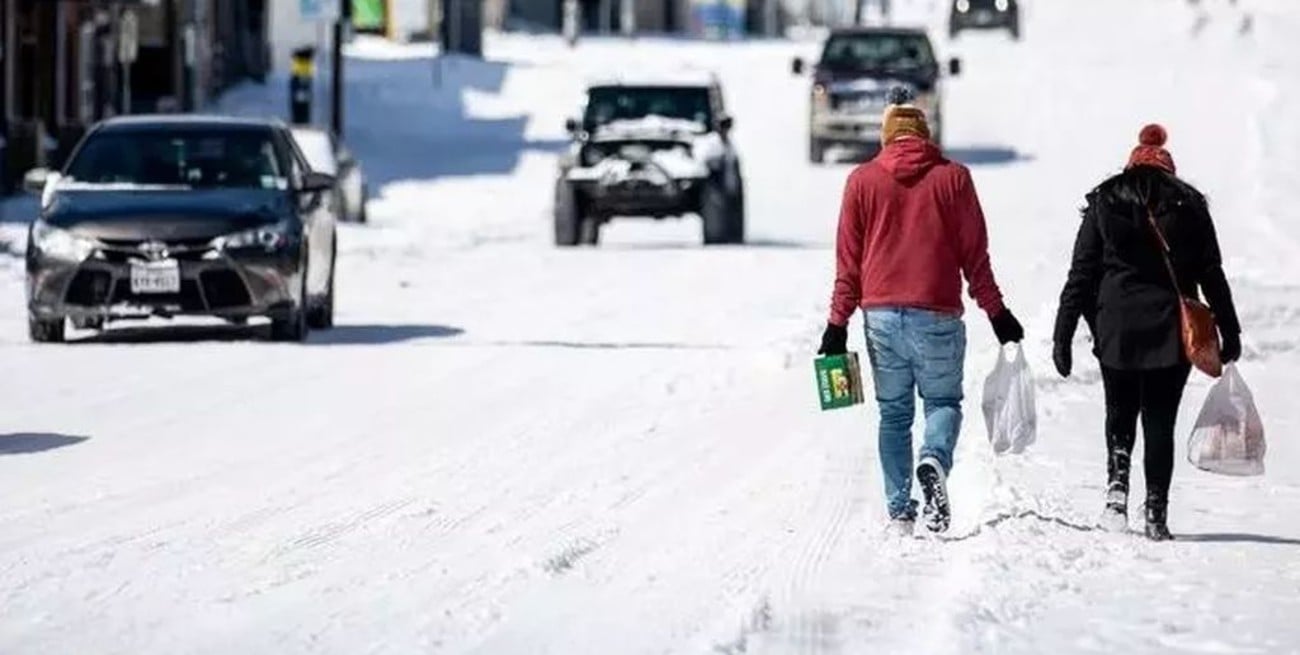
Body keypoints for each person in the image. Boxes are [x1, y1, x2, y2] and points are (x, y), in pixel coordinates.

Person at [818, 89, 1024, 535]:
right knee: (943, 402)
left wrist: (836, 325)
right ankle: (933, 458)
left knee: (893, 414)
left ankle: (899, 512)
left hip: (881, 318)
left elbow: (847, 264)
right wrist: (997, 313)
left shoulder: (861, 181)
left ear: (887, 136)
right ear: (925, 135)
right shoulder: (955, 179)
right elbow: (976, 257)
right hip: (938, 316)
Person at [1053, 124, 1241, 541]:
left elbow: (1082, 274)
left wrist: (1062, 334)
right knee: (1160, 420)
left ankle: (1116, 494)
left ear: (1131, 165)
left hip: (1116, 326)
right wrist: (1230, 328)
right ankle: (1156, 510)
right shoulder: (1190, 205)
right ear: (1168, 169)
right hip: (1170, 329)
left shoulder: (1104, 201)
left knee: (1119, 412)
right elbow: (1212, 273)